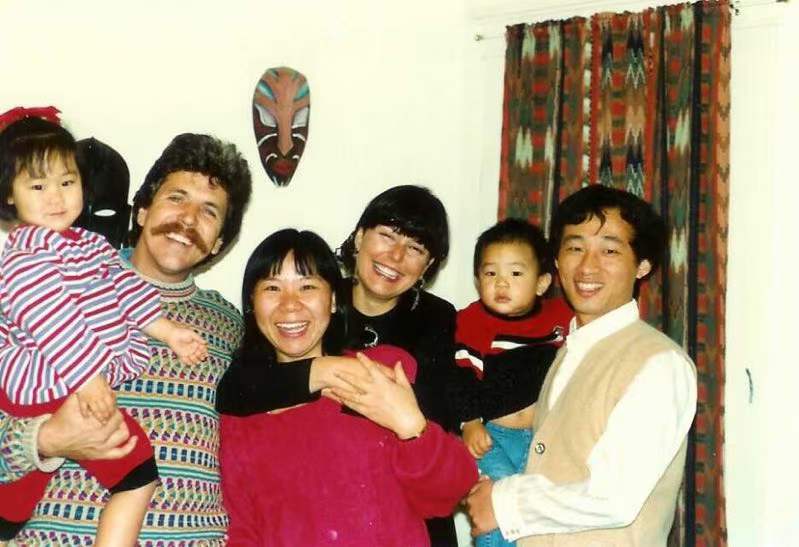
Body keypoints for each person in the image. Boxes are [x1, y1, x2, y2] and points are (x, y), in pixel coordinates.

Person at [0, 130, 252, 545]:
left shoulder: (231, 325)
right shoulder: (38, 284)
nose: (188, 219)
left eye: (209, 211)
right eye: (176, 198)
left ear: (219, 243)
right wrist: (45, 440)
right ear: (142, 211)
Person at [465, 184, 697, 546]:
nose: (588, 266)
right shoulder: (561, 352)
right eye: (575, 248)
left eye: (609, 250)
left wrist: (503, 503)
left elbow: (615, 497)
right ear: (556, 261)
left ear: (643, 265)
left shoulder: (659, 363)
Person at [219, 228, 477, 546]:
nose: (290, 305)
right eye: (272, 288)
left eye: (307, 287)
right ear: (252, 303)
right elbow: (243, 530)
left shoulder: (379, 371)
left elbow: (451, 490)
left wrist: (412, 427)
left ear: (333, 300)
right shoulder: (239, 417)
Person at [454, 218, 572, 547]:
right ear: (477, 280)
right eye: (491, 274)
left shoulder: (560, 317)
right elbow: (462, 377)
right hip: (493, 437)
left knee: (532, 514)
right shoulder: (474, 321)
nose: (502, 283)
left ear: (542, 282)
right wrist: (470, 422)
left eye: (516, 274)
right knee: (497, 500)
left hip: (542, 437)